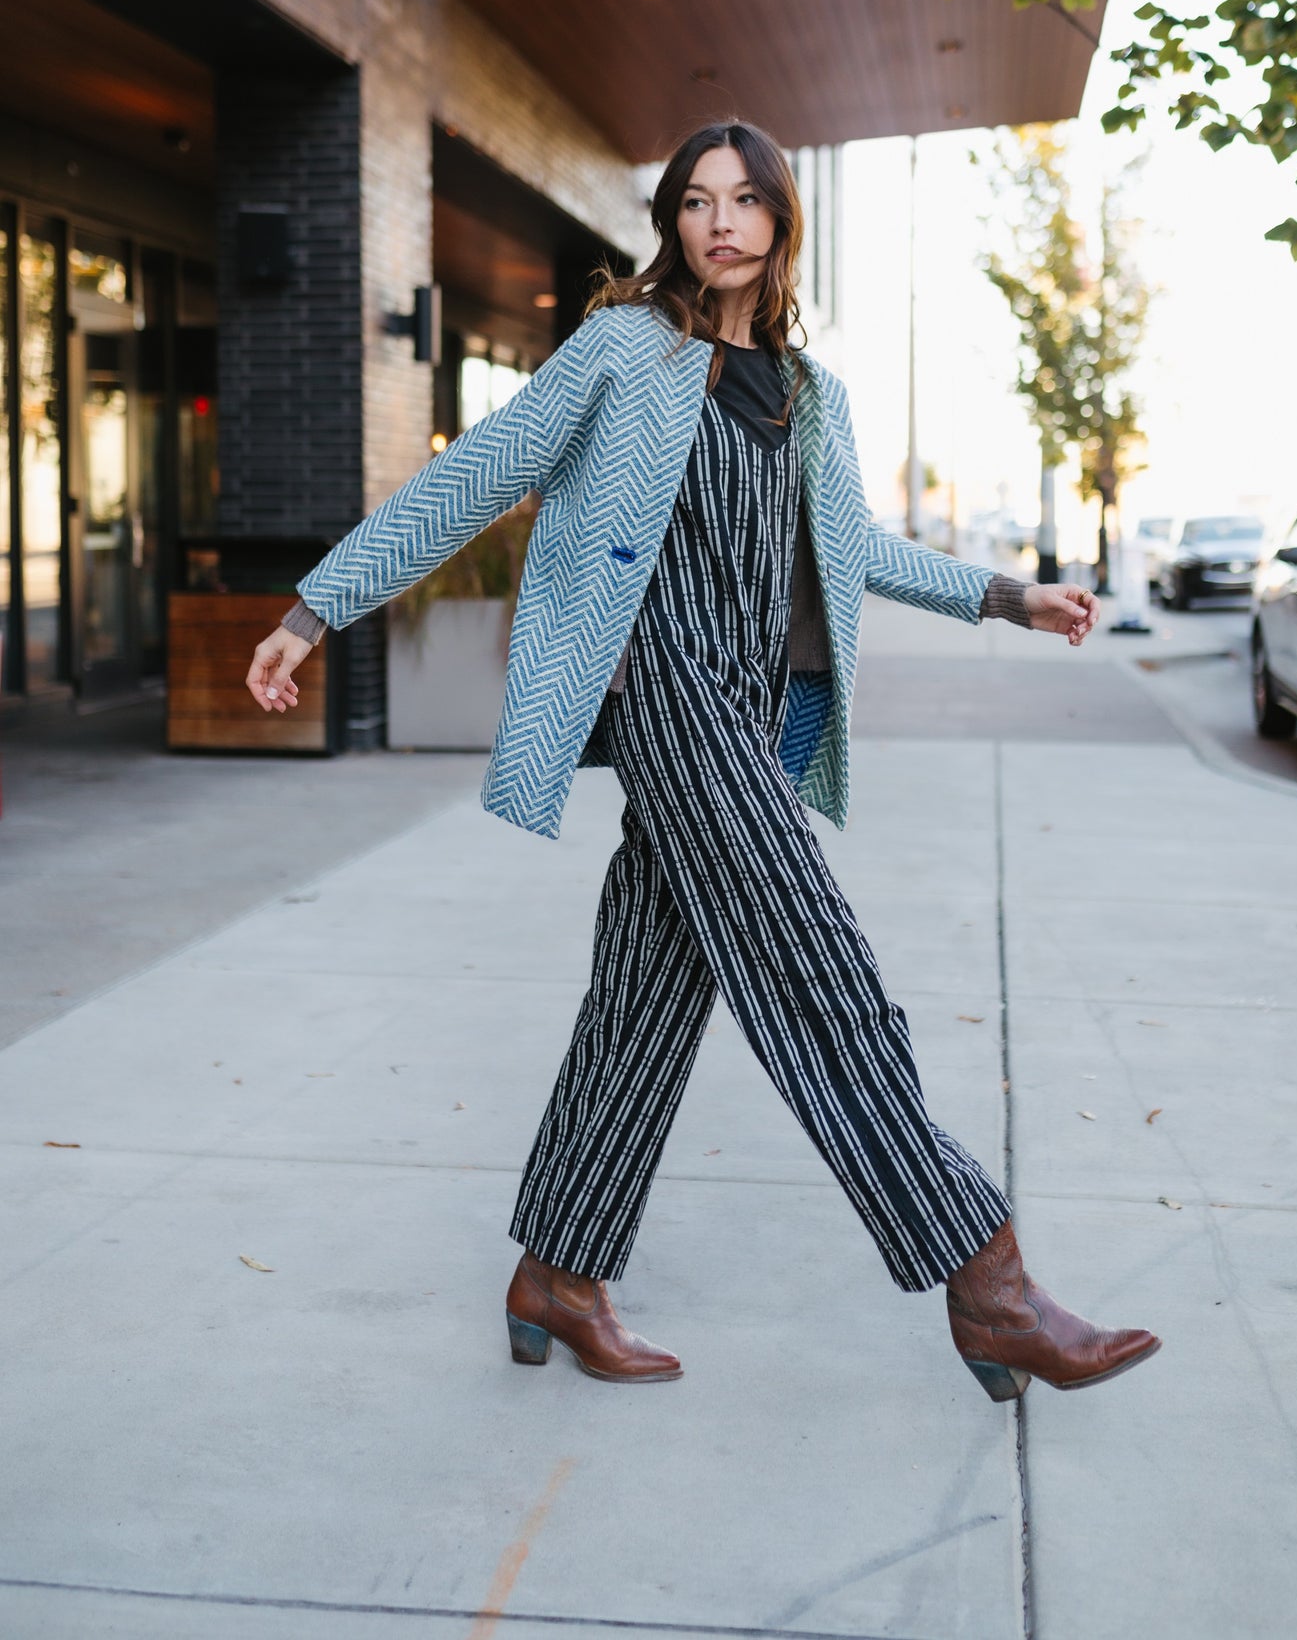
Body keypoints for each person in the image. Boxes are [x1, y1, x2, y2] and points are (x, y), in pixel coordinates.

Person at [245, 121, 1159, 1402]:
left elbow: (853, 550)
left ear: (782, 221)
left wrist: (1008, 595)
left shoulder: (808, 391)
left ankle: (556, 1271)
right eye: (693, 201)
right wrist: (311, 609)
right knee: (819, 971)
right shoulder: (626, 348)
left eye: (743, 200)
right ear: (671, 222)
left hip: (757, 710)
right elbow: (473, 477)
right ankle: (986, 1282)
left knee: (647, 996)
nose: (717, 221)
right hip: (667, 696)